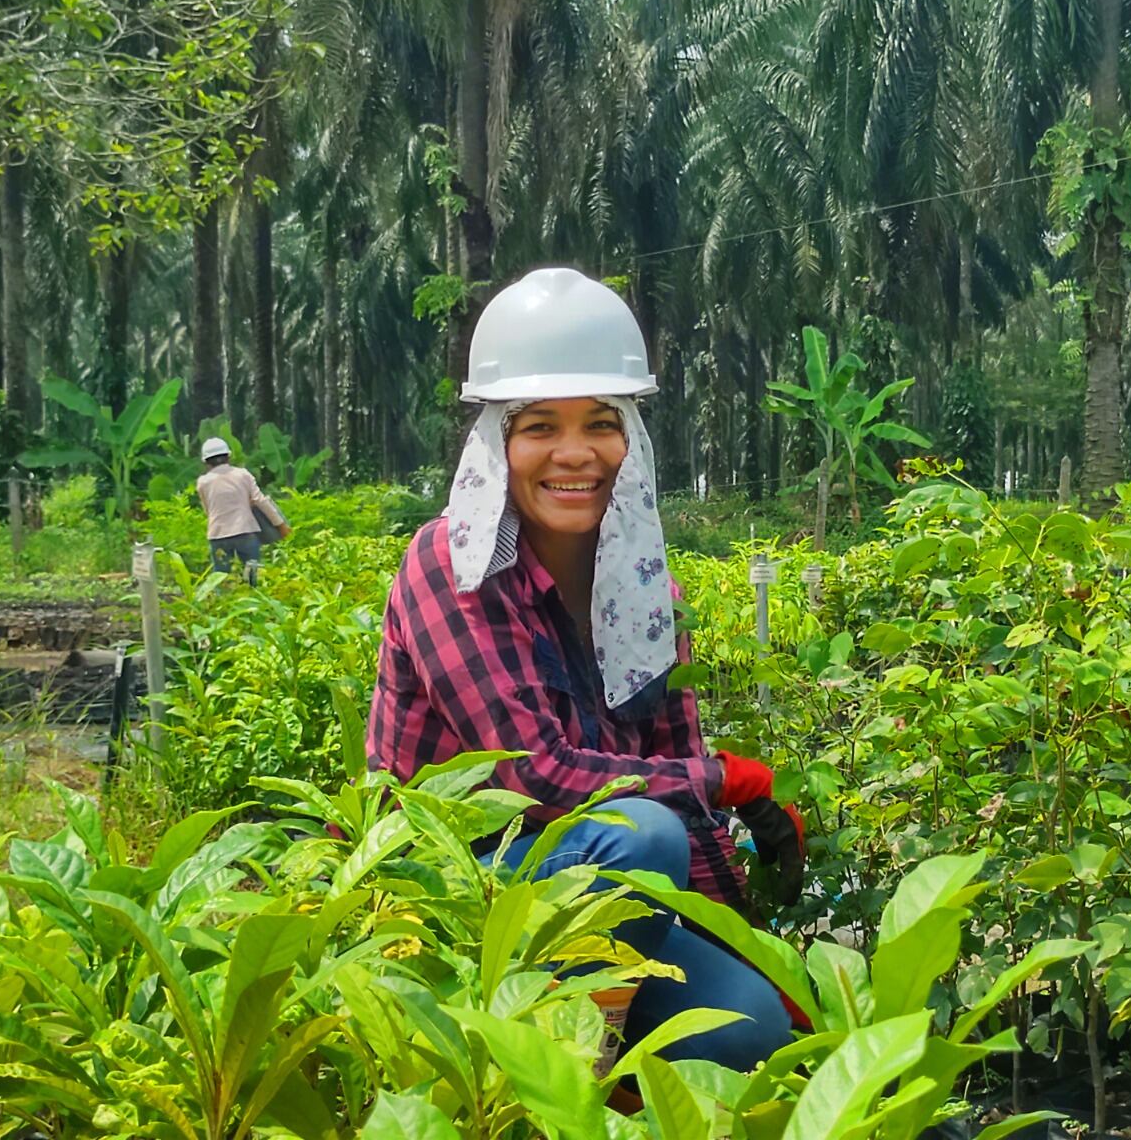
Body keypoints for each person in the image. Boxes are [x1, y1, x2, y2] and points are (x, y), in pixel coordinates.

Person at [366, 267, 803, 1072]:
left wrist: (756, 949)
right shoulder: (451, 565)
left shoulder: (646, 587)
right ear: (498, 443)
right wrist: (724, 780)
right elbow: (537, 775)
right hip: (456, 884)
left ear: (629, 439)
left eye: (601, 424)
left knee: (750, 1030)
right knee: (639, 832)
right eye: (540, 427)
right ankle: (570, 1079)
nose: (575, 454)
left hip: (597, 883)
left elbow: (678, 785)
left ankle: (619, 1073)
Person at [196, 436, 289, 585]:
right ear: (228, 456)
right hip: (245, 531)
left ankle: (222, 605)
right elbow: (261, 501)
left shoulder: (203, 482)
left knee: (222, 579)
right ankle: (254, 605)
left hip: (218, 535)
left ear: (206, 462)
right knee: (253, 578)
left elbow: (208, 511)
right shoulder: (242, 474)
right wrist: (280, 524)